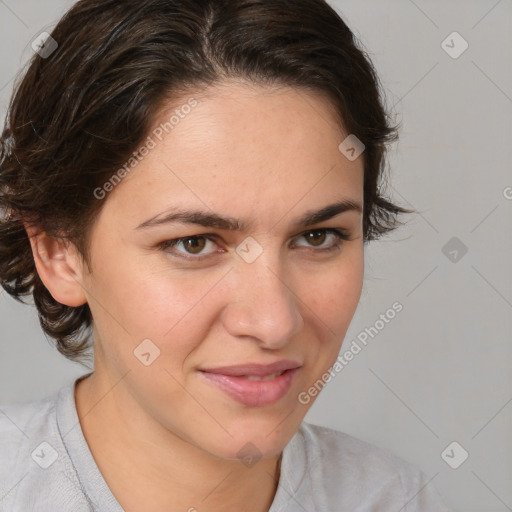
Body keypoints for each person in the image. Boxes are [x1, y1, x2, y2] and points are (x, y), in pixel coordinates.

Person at [0, 0, 453, 510]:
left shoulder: (394, 500)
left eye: (318, 236)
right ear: (59, 252)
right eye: (193, 243)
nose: (274, 322)